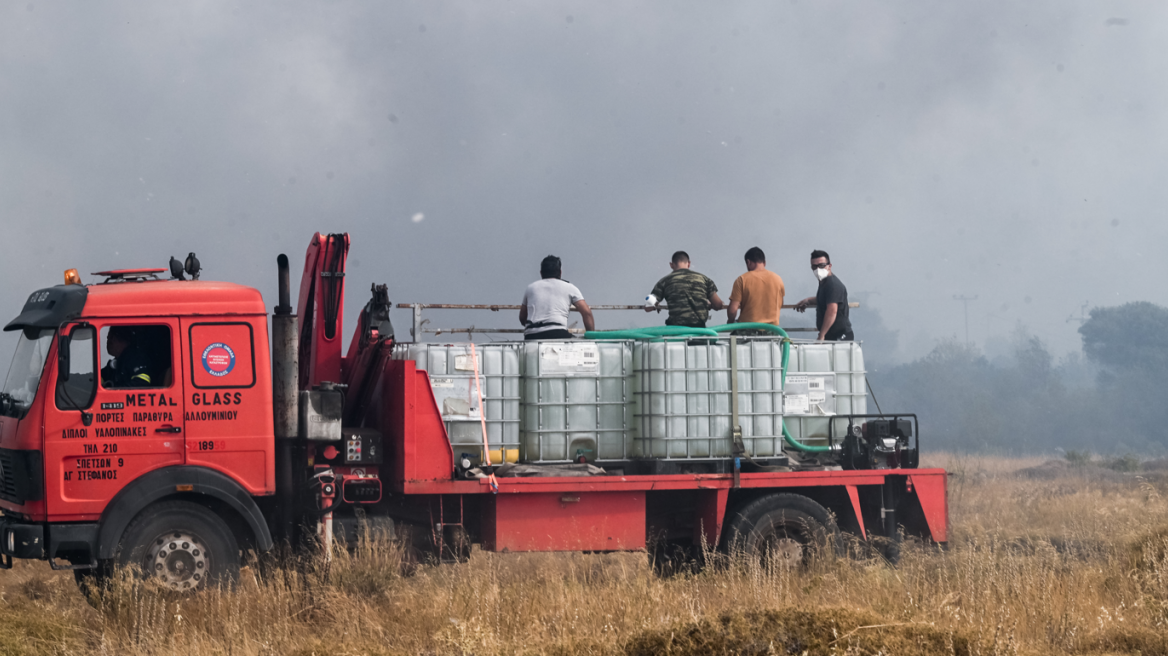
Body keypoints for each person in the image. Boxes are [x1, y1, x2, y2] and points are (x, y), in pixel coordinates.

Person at [519, 255, 595, 340]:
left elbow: (522, 318)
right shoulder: (569, 287)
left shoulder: (531, 288)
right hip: (557, 333)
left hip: (531, 335)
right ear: (560, 272)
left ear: (541, 273)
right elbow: (587, 313)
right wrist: (590, 337)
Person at [645, 251, 725, 328]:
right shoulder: (704, 279)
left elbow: (648, 307)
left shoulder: (664, 281)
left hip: (675, 333)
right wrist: (707, 303)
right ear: (689, 264)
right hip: (699, 331)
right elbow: (718, 305)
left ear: (671, 265)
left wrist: (656, 304)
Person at [794, 250, 854, 341]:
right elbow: (827, 298)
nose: (818, 269)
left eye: (821, 266)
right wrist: (809, 300)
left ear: (829, 266)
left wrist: (821, 335)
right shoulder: (824, 282)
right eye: (814, 266)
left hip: (840, 335)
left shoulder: (833, 285)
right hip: (830, 334)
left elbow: (832, 311)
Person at [726, 247, 785, 325]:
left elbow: (732, 311)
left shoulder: (742, 280)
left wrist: (730, 321)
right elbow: (781, 303)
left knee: (732, 336)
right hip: (772, 331)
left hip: (748, 330)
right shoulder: (778, 279)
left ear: (748, 262)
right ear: (764, 262)